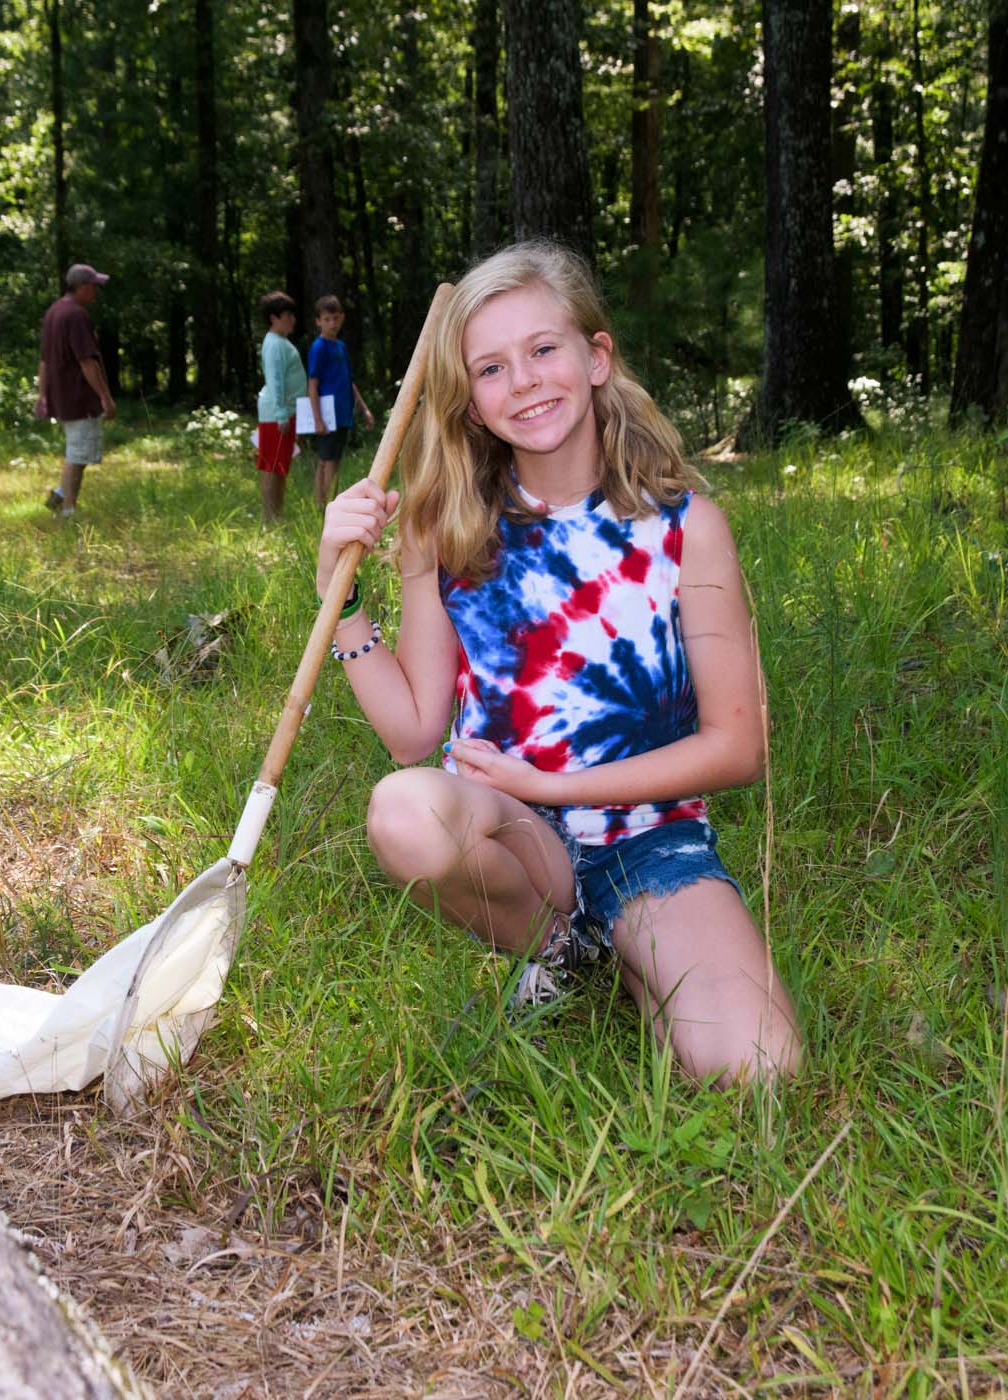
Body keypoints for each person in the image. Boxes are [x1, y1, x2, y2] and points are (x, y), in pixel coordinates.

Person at [314, 242, 800, 1085]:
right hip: (515, 834)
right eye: (492, 368)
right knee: (405, 812)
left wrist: (549, 784)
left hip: (650, 839)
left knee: (760, 1068)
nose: (527, 381)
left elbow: (738, 747)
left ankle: (629, 949)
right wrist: (341, 599)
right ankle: (560, 945)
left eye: (544, 349)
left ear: (596, 356)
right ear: (470, 404)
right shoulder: (447, 528)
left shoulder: (686, 529)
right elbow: (410, 734)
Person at [35, 262, 117, 520]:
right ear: (81, 287)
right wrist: (105, 396)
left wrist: (43, 395)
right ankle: (67, 512)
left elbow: (44, 360)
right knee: (78, 455)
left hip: (62, 397)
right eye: (94, 286)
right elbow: (87, 361)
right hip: (78, 398)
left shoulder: (54, 312)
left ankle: (58, 497)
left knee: (77, 451)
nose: (97, 292)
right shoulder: (76, 315)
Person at [304, 295, 375, 511]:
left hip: (343, 413)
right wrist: (317, 419)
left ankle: (323, 506)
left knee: (332, 460)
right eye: (326, 319)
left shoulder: (341, 346)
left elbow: (348, 381)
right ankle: (326, 508)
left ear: (341, 318)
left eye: (335, 318)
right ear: (318, 321)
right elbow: (313, 385)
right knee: (328, 462)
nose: (332, 323)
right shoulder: (319, 347)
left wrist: (364, 409)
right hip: (327, 414)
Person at [254, 290, 307, 524]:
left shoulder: (281, 342)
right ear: (274, 318)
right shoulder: (274, 344)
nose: (292, 319)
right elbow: (275, 381)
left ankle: (277, 515)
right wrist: (281, 414)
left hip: (285, 412)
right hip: (276, 415)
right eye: (288, 314)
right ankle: (269, 519)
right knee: (271, 466)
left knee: (280, 466)